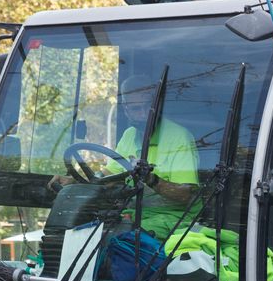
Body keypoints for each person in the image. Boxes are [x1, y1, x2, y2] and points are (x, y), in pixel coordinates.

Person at [53, 73, 201, 241]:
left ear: (157, 105)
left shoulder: (179, 137)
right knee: (82, 233)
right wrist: (74, 182)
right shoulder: (130, 135)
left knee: (114, 239)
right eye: (137, 109)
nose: (144, 114)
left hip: (176, 220)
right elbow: (108, 178)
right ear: (126, 110)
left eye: (148, 107)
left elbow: (185, 195)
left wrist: (151, 179)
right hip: (137, 216)